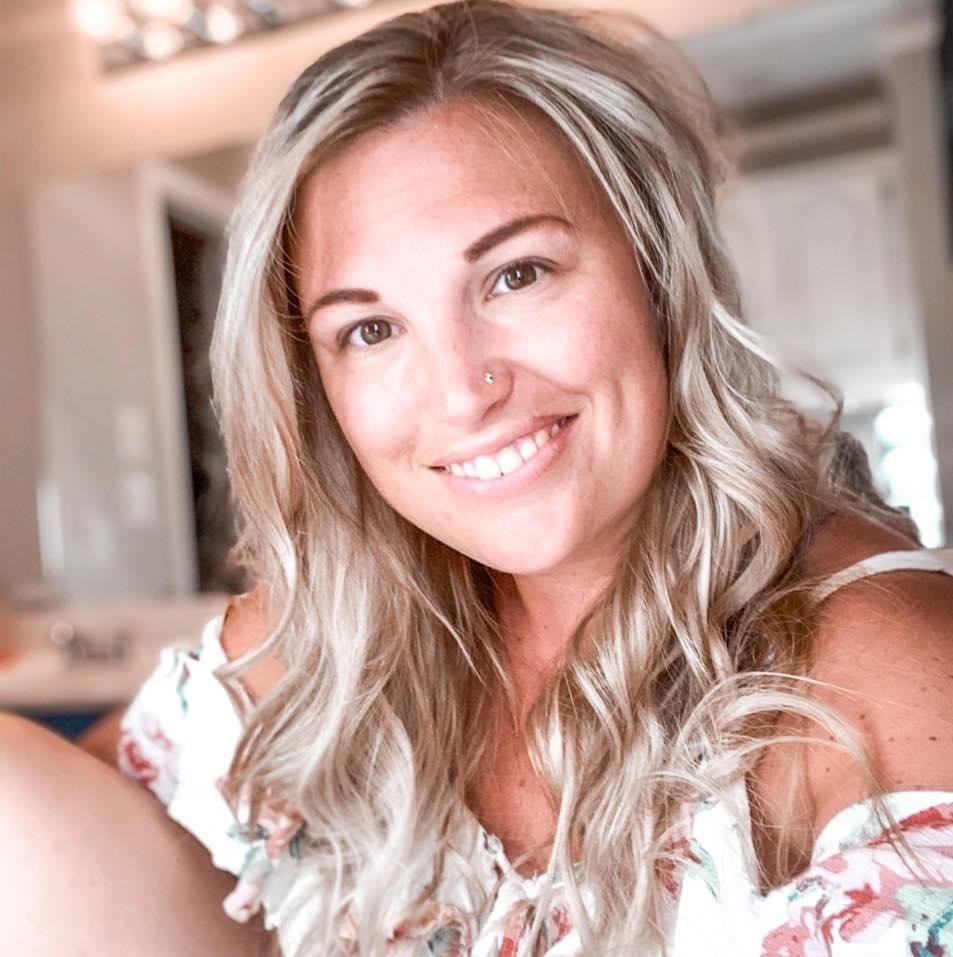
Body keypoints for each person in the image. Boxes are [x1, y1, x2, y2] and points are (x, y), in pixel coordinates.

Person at [2, 1, 952, 954]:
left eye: (516, 274)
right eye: (371, 329)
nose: (462, 392)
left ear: (657, 268)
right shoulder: (331, 645)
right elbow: (51, 852)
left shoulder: (886, 681)